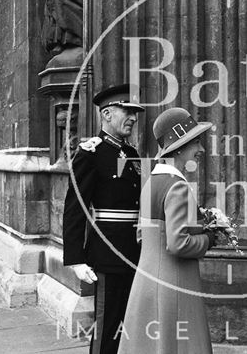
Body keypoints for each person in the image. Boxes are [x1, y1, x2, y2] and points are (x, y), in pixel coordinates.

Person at [118, 107, 215, 354]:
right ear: (179, 148)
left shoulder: (151, 182)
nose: (201, 149)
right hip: (174, 283)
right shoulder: (177, 186)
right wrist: (210, 238)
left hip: (148, 280)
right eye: (196, 142)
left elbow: (142, 235)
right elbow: (178, 243)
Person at [62, 84, 144, 354]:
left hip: (135, 251)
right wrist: (75, 259)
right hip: (107, 254)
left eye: (135, 112)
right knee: (106, 328)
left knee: (129, 325)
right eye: (127, 111)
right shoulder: (90, 153)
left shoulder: (132, 154)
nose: (133, 117)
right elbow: (75, 207)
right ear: (107, 114)